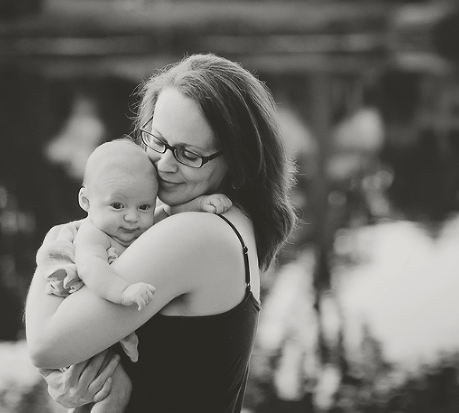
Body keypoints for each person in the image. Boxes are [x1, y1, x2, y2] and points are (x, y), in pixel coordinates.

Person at [26, 53, 297, 413]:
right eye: (157, 140)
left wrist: (55, 247)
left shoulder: (196, 235)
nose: (164, 164)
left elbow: (44, 345)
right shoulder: (221, 219)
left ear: (237, 159)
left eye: (188, 154)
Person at [37, 137, 232, 413]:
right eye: (117, 206)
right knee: (116, 389)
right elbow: (92, 268)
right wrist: (123, 291)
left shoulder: (137, 228)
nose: (132, 218)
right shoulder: (93, 235)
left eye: (143, 207)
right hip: (83, 333)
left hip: (99, 336)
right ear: (86, 201)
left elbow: (169, 216)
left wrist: (201, 204)